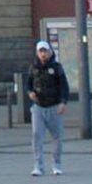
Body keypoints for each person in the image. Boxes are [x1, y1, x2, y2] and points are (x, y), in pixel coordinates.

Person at [25, 41, 69, 176]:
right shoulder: (33, 67)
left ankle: (56, 164)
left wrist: (63, 102)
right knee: (37, 135)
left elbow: (63, 86)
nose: (43, 54)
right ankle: (38, 165)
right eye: (40, 51)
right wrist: (30, 92)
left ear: (49, 52)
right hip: (38, 106)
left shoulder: (56, 67)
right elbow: (28, 84)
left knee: (57, 136)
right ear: (37, 53)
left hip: (54, 105)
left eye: (45, 51)